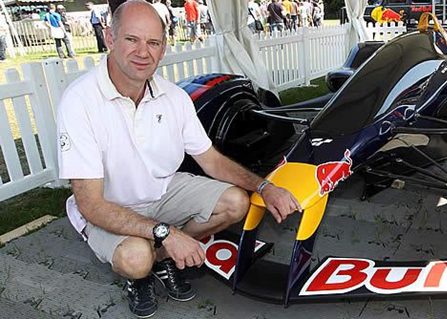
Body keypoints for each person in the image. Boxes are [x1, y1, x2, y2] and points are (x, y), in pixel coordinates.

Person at [56, 1, 300, 317]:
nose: (143, 52)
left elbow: (212, 160)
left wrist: (265, 187)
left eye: (153, 42)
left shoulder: (174, 97)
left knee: (236, 203)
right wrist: (168, 233)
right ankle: (142, 272)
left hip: (162, 190)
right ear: (110, 38)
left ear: (163, 48)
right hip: (108, 205)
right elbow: (91, 204)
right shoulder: (79, 101)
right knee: (135, 258)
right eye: (132, 39)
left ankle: (161, 258)